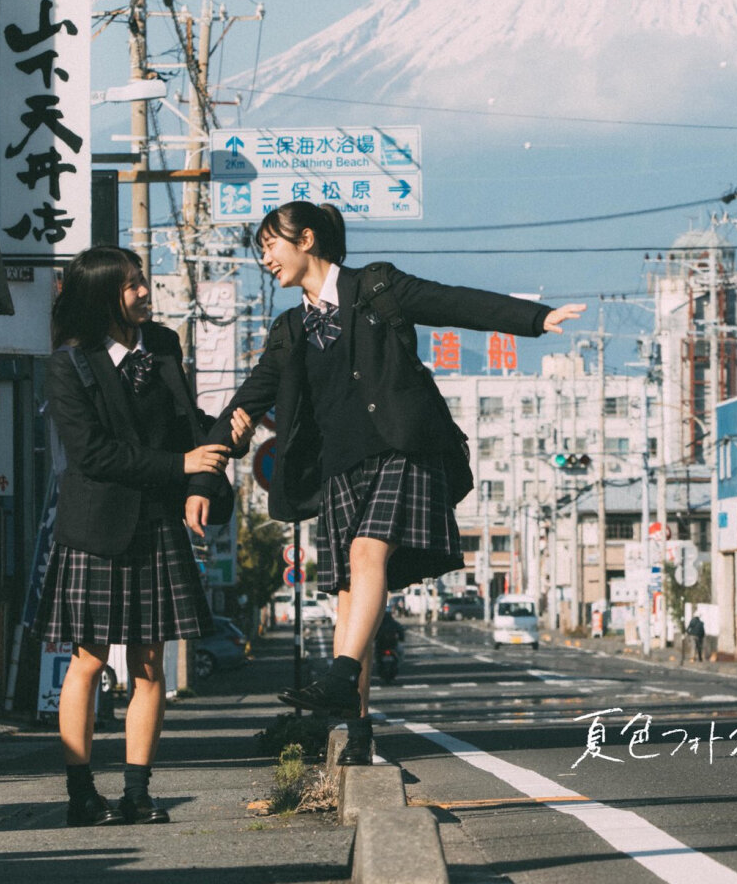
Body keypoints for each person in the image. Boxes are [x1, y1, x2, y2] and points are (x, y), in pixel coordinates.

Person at [189, 200, 584, 766]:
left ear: (305, 240)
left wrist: (534, 319)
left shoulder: (376, 287)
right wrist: (203, 478)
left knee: (368, 552)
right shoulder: (289, 330)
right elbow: (243, 403)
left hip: (402, 447)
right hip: (339, 471)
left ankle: (341, 675)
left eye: (270, 245)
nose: (265, 258)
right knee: (352, 602)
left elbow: (453, 302)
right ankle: (356, 731)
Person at [34, 246, 232, 827]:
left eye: (142, 280)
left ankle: (138, 793)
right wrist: (179, 467)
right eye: (131, 285)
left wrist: (200, 480)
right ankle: (80, 795)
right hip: (96, 526)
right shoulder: (68, 364)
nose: (145, 291)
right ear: (102, 297)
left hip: (156, 521)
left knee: (152, 666)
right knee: (88, 661)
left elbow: (187, 426)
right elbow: (91, 454)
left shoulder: (165, 346)